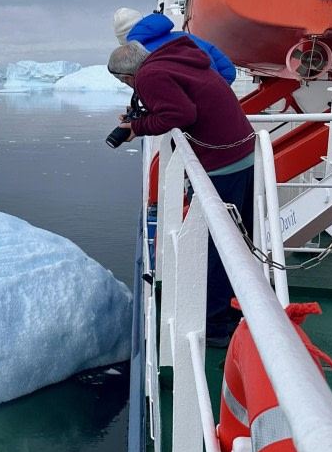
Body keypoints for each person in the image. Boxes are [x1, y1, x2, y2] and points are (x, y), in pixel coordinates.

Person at [108, 39, 255, 348]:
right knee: (237, 237)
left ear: (128, 76)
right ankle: (232, 310)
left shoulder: (150, 76)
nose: (127, 86)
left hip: (221, 162)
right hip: (241, 152)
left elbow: (180, 114)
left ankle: (216, 323)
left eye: (124, 82)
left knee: (217, 244)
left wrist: (137, 127)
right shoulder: (175, 59)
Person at [113, 7, 237, 85]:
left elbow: (160, 91)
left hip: (189, 115)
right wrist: (216, 93)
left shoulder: (140, 55)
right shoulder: (186, 37)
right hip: (214, 104)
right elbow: (227, 69)